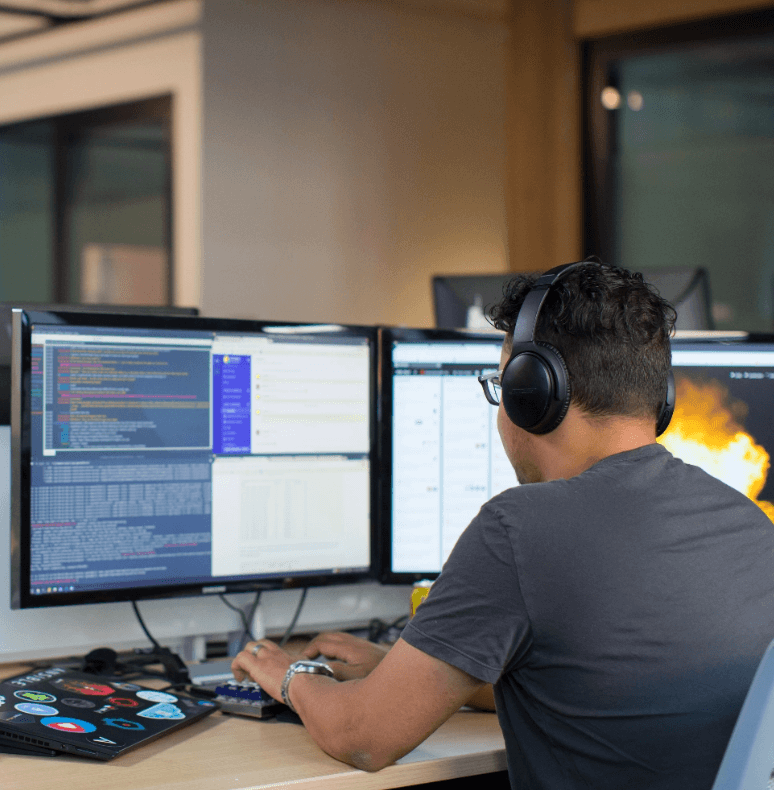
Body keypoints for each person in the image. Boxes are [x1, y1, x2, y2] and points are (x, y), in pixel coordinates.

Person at [232, 262, 774, 789]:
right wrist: (414, 672)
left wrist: (287, 674)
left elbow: (363, 737)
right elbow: (603, 686)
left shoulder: (519, 528)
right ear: (661, 399)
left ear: (530, 393)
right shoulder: (749, 525)